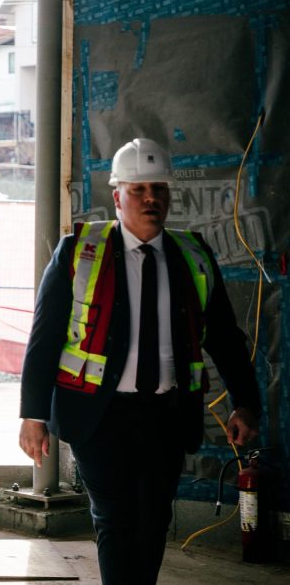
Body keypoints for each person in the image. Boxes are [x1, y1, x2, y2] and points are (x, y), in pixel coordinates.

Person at [18, 138, 261, 585]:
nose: (151, 199)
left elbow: (226, 337)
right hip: (98, 414)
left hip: (167, 414)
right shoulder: (78, 252)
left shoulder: (194, 256)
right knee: (115, 518)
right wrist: (32, 415)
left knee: (153, 521)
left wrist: (246, 403)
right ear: (117, 197)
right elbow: (44, 338)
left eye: (159, 189)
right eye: (138, 190)